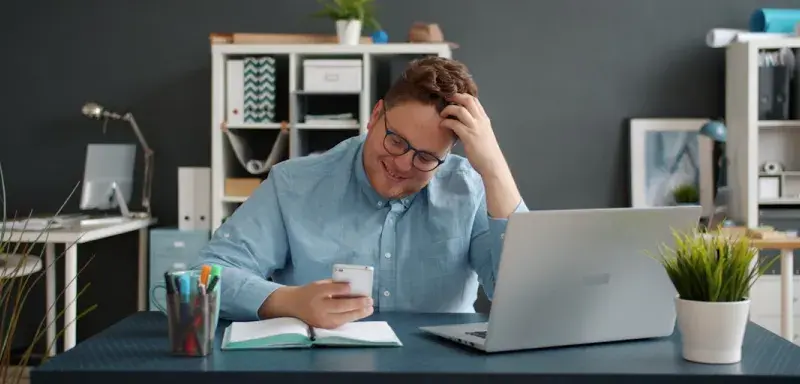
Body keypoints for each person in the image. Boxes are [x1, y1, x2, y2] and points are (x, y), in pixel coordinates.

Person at [196, 56, 527, 329]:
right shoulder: (294, 184)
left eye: (426, 157)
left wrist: (494, 167)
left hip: (439, 370)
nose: (402, 163)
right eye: (395, 140)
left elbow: (522, 294)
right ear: (375, 116)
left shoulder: (470, 187)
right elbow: (207, 276)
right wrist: (288, 301)